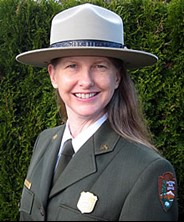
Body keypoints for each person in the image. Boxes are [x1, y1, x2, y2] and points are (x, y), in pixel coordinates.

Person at [16, 3, 178, 221]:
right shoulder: (45, 141)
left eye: (100, 66)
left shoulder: (146, 170)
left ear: (117, 77)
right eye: (72, 66)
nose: (86, 81)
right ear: (53, 76)